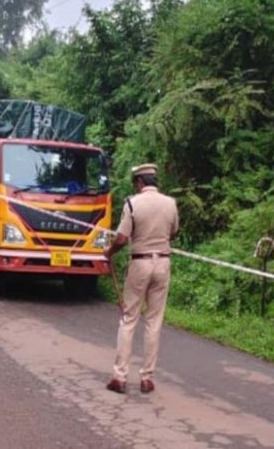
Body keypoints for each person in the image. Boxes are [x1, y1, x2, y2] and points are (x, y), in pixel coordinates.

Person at [104, 163, 179, 394]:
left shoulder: (132, 203)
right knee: (154, 322)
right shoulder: (170, 203)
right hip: (163, 263)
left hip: (140, 262)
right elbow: (174, 232)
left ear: (140, 182)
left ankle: (120, 376)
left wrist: (109, 252)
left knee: (129, 318)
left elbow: (122, 238)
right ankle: (147, 377)